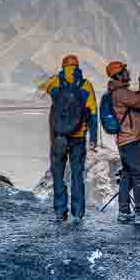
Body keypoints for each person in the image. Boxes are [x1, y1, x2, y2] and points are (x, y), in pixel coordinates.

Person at [42, 54, 96, 225]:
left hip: (59, 137)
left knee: (58, 174)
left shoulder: (56, 83)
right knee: (77, 176)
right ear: (78, 66)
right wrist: (93, 137)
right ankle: (78, 213)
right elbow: (93, 114)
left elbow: (40, 86)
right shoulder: (86, 85)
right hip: (78, 137)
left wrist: (53, 79)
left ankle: (60, 211)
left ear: (63, 66)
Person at [105, 60, 140, 226]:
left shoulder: (118, 92)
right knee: (138, 175)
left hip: (124, 141)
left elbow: (135, 99)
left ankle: (123, 212)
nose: (128, 73)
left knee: (127, 175)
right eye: (124, 71)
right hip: (130, 141)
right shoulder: (121, 93)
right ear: (118, 75)